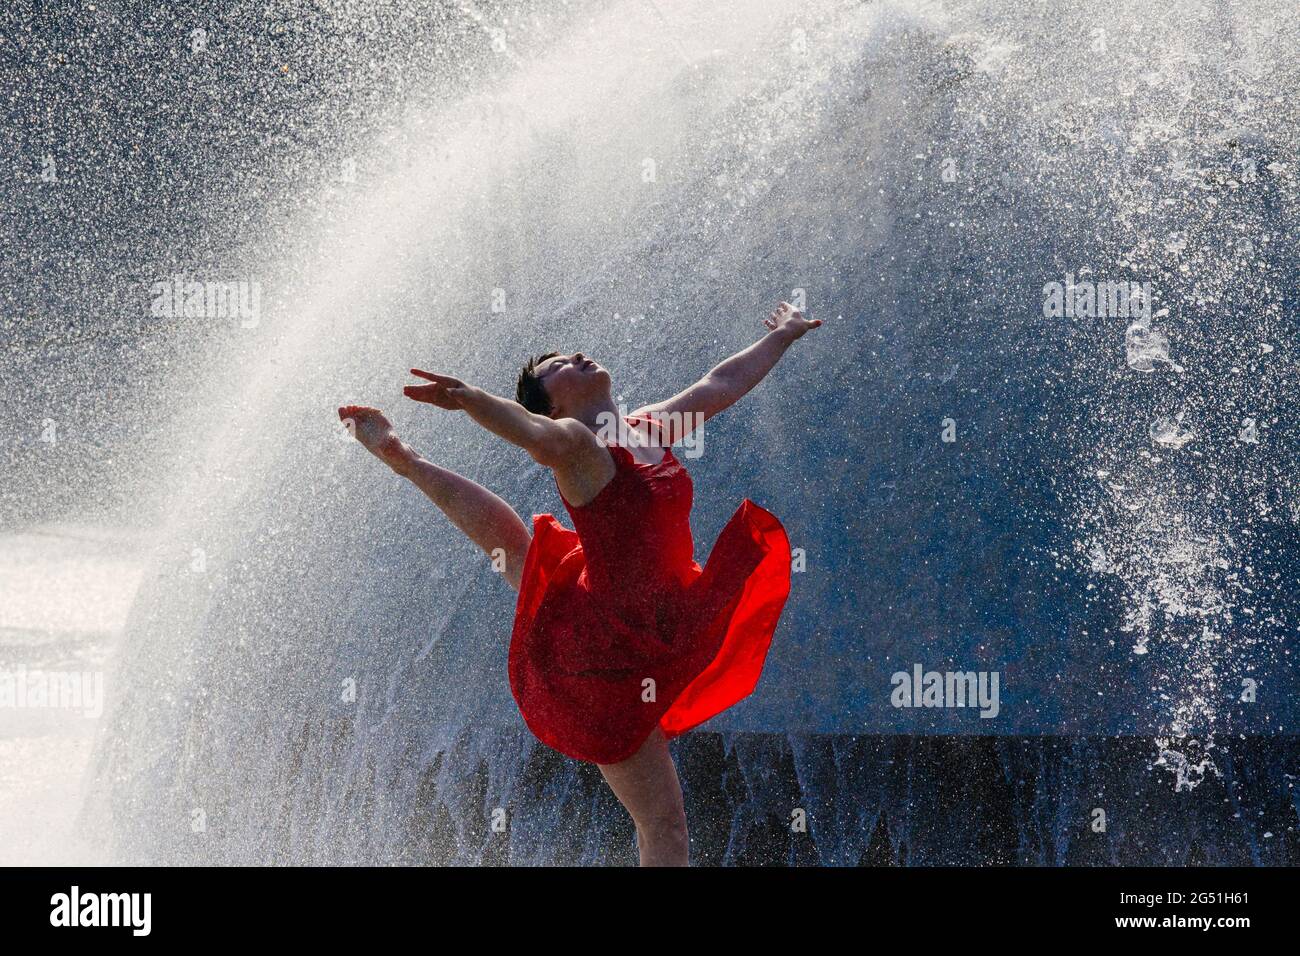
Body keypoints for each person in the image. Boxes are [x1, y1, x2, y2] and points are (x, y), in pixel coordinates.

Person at [338, 301, 822, 865]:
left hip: (651, 613)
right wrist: (468, 398)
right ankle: (407, 459)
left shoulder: (648, 426)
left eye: (572, 353)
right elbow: (528, 432)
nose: (578, 356)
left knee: (525, 558)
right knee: (664, 827)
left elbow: (721, 382)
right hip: (605, 658)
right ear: (557, 404)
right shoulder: (575, 445)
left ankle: (405, 458)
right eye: (559, 365)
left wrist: (783, 337)